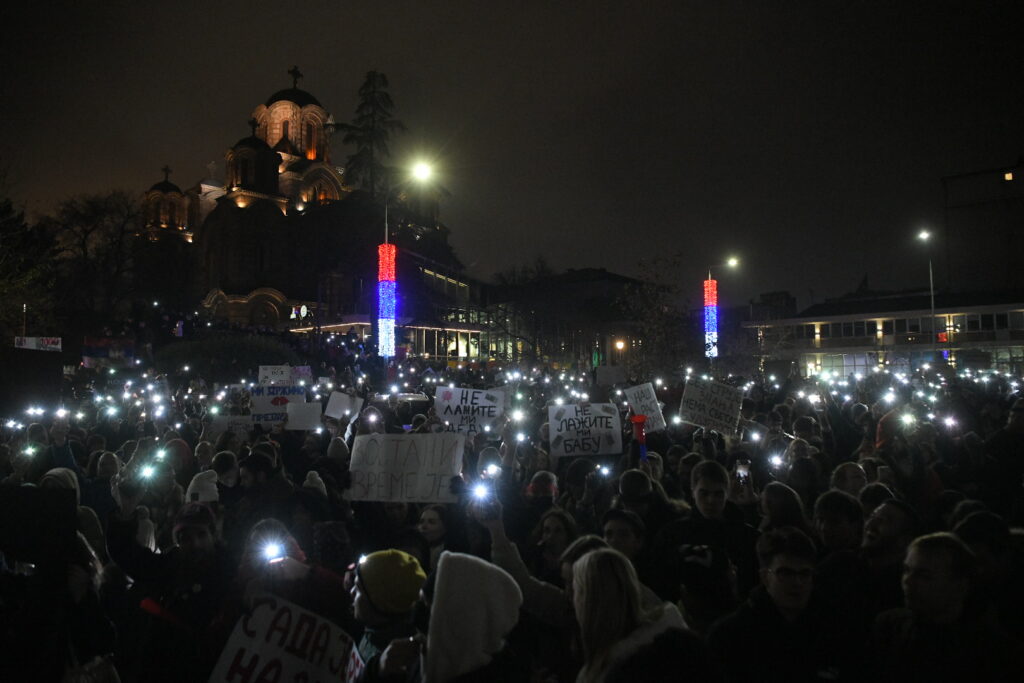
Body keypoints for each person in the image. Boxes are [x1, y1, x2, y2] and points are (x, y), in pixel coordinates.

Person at [707, 526, 851, 682]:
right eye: (785, 573)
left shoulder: (834, 628)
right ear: (765, 577)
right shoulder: (730, 636)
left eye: (804, 573)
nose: (797, 582)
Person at [870, 533, 1015, 682]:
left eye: (924, 575)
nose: (908, 580)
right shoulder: (890, 627)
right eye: (907, 570)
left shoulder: (988, 650)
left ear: (960, 585)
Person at [573, 548, 685, 683]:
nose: (571, 598)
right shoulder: (671, 639)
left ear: (590, 599)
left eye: (575, 590)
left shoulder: (620, 672)